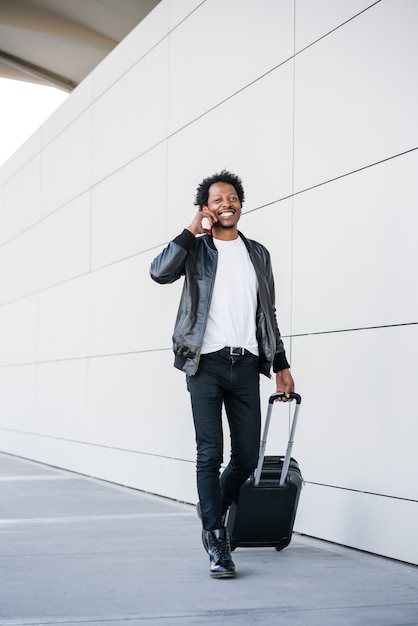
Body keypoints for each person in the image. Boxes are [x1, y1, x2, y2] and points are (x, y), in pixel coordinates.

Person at [150, 170, 294, 579]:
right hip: (205, 363)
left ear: (240, 204)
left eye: (231, 197)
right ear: (206, 208)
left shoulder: (258, 254)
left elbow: (269, 314)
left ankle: (212, 503)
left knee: (247, 456)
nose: (225, 203)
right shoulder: (195, 250)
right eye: (217, 200)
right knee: (209, 454)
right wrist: (190, 230)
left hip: (247, 364)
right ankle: (216, 539)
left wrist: (280, 364)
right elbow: (159, 272)